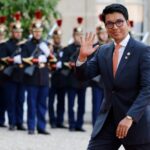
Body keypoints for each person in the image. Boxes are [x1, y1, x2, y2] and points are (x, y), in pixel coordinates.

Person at [76, 3, 150, 150]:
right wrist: (82, 57)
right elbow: (83, 75)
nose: (115, 27)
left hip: (135, 121)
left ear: (127, 23)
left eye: (119, 22)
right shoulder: (103, 51)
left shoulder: (143, 50)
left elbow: (147, 88)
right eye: (109, 23)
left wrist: (130, 117)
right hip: (107, 122)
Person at [23, 11, 50, 135]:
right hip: (32, 78)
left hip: (43, 78)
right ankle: (31, 127)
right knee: (32, 104)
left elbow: (53, 60)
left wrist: (49, 55)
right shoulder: (27, 45)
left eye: (39, 31)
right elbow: (23, 59)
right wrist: (37, 59)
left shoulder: (46, 44)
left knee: (42, 105)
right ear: (32, 32)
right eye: (36, 31)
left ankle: (41, 127)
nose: (38, 33)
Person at [64, 20, 87, 132]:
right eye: (77, 35)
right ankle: (72, 124)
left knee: (81, 105)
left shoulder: (86, 49)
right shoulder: (68, 49)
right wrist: (70, 64)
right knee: (71, 105)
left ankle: (79, 124)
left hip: (82, 81)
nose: (79, 37)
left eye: (81, 35)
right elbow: (62, 63)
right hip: (71, 80)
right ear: (73, 36)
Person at [48, 20, 67, 128]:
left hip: (62, 79)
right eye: (56, 37)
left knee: (61, 102)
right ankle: (52, 121)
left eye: (59, 37)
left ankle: (60, 121)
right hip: (52, 78)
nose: (58, 39)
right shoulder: (49, 49)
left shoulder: (64, 49)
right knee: (51, 102)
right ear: (53, 38)